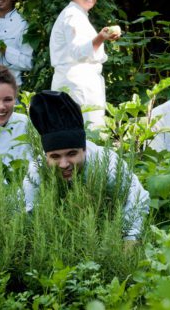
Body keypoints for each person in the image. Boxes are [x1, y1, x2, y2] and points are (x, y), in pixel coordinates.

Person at [23, 91, 149, 240]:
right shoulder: (36, 172)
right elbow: (32, 217)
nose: (64, 164)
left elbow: (137, 199)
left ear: (84, 149)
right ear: (46, 156)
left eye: (71, 154)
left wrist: (129, 239)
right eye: (55, 156)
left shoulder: (108, 165)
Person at [49, 0, 121, 128]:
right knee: (85, 140)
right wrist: (101, 37)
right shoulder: (72, 16)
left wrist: (101, 38)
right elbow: (78, 51)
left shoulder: (78, 15)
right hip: (76, 87)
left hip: (80, 85)